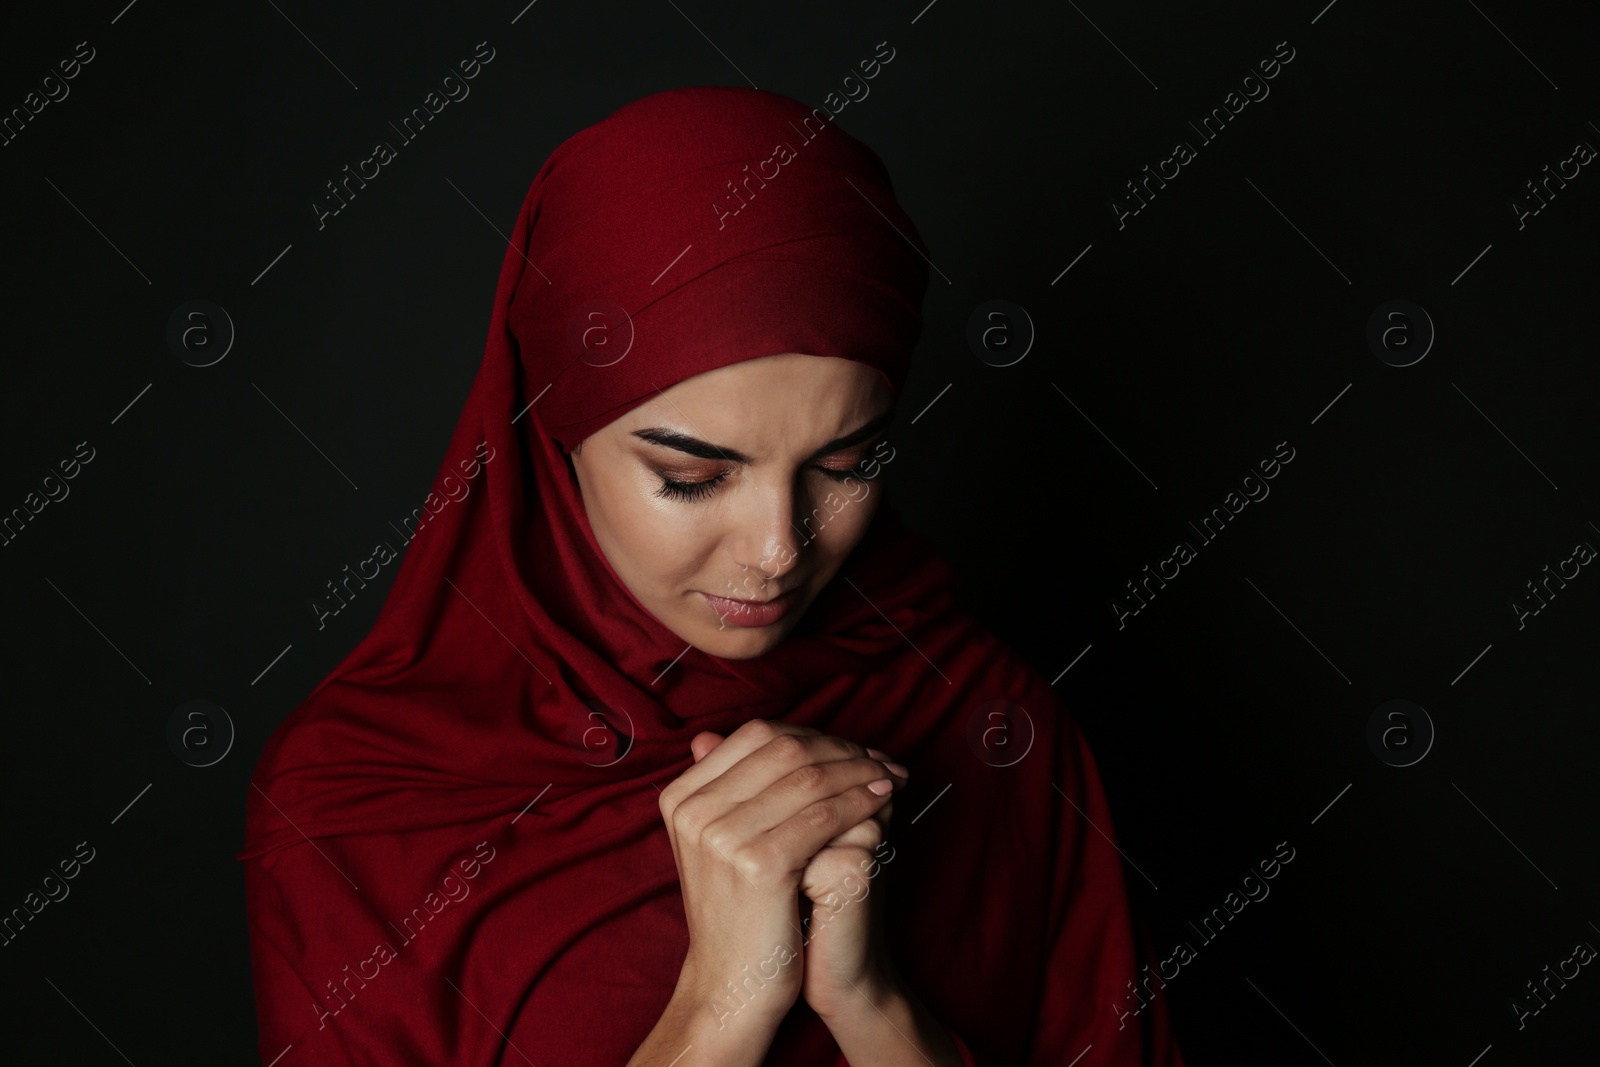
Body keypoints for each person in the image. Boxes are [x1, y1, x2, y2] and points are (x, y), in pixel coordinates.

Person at [239, 85, 1187, 1067]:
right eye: (692, 475)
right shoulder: (361, 795)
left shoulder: (992, 725)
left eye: (845, 463)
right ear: (550, 435)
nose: (779, 548)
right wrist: (718, 1007)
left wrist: (873, 1006)